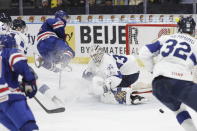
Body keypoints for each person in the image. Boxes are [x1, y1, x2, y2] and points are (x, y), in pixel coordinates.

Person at [139, 16, 197, 131]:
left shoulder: (165, 38)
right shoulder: (195, 43)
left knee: (179, 110)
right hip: (180, 83)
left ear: (179, 28)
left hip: (158, 85)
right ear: (193, 30)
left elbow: (143, 52)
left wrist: (152, 70)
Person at [0, 22, 39, 131]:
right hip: (10, 96)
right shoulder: (9, 50)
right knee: (29, 128)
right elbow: (18, 63)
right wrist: (29, 81)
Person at [82, 45, 147, 105]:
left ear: (101, 53)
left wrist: (104, 88)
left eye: (96, 55)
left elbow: (117, 78)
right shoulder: (94, 61)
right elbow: (87, 73)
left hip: (132, 73)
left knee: (110, 89)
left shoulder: (107, 60)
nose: (95, 58)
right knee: (103, 80)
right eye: (93, 56)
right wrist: (88, 80)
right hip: (125, 70)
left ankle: (131, 97)